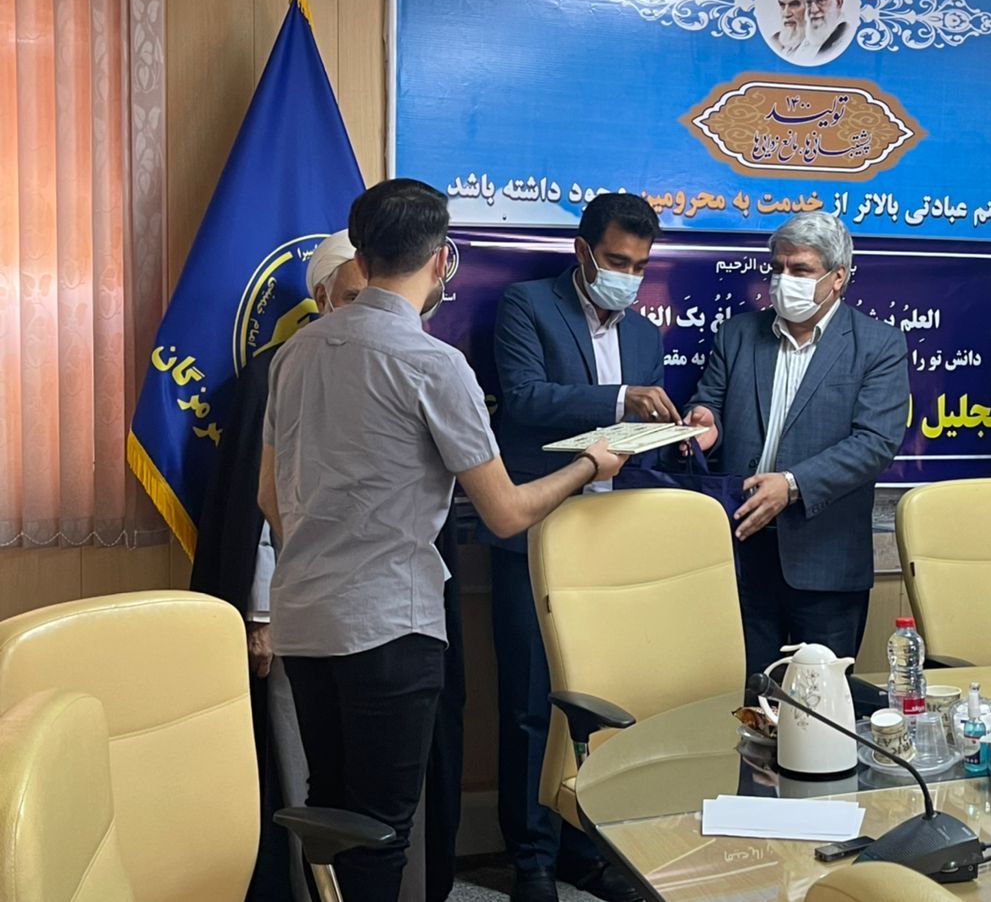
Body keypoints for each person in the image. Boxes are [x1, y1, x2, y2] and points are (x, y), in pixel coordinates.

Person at [259, 179, 628, 902]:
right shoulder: (433, 363)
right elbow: (506, 512)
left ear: (360, 258)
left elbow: (270, 497)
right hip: (389, 628)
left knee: (331, 813)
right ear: (441, 260)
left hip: (304, 618)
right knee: (382, 831)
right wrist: (590, 464)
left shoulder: (294, 354)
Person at [484, 192, 673, 902]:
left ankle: (583, 847)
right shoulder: (527, 306)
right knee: (530, 704)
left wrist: (684, 426)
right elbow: (526, 398)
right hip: (536, 535)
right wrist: (623, 399)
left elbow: (640, 438)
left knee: (600, 704)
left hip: (611, 547)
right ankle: (531, 857)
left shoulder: (647, 336)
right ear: (584, 251)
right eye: (618, 261)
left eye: (641, 266)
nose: (630, 276)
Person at [190, 228, 365, 902]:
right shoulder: (279, 370)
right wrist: (260, 615)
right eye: (354, 296)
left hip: (371, 609)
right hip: (295, 612)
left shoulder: (393, 363)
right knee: (299, 766)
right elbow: (260, 505)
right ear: (322, 296)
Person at [684, 211, 909, 679]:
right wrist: (705, 423)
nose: (784, 280)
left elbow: (875, 443)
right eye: (778, 268)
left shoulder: (878, 345)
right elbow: (709, 404)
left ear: (838, 277)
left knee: (821, 704)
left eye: (800, 269)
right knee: (748, 698)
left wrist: (791, 485)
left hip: (825, 560)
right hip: (742, 552)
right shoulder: (738, 334)